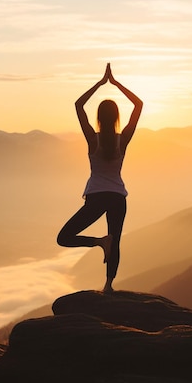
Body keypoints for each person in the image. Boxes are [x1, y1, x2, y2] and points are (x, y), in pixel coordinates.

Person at [57, 63, 143, 293]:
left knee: (64, 237)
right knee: (116, 239)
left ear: (99, 117)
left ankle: (98, 242)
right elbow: (138, 105)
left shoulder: (92, 140)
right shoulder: (122, 140)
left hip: (96, 197)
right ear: (116, 117)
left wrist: (100, 83)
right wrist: (115, 84)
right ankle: (108, 286)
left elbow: (78, 105)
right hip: (117, 197)